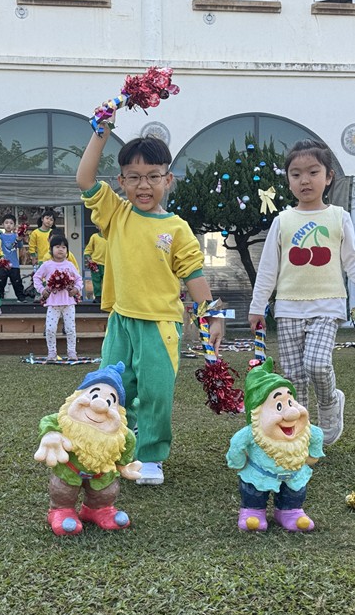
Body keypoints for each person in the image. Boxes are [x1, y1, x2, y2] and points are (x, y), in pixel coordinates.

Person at [77, 107, 224, 486]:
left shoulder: (177, 228)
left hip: (161, 325)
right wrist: (101, 131)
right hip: (121, 321)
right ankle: (109, 446)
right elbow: (84, 178)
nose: (144, 186)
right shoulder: (116, 214)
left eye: (153, 177)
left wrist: (212, 317)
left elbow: (193, 274)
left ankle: (150, 455)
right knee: (111, 387)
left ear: (168, 180)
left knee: (156, 393)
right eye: (134, 177)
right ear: (122, 181)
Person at [248, 139, 355, 446]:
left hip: (327, 306)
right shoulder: (282, 220)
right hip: (288, 308)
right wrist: (258, 306)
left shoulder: (339, 216)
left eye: (313, 172)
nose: (305, 180)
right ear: (288, 180)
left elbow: (353, 260)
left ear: (329, 176)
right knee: (294, 377)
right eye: (296, 174)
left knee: (318, 365)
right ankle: (300, 431)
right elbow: (268, 268)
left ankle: (330, 403)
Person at [34, 362, 140, 535]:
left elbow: (128, 442)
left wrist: (124, 467)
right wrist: (50, 434)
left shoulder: (121, 434)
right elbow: (48, 421)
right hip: (69, 470)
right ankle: (61, 510)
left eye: (110, 401)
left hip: (102, 474)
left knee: (106, 491)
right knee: (63, 490)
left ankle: (98, 510)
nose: (99, 405)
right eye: (94, 395)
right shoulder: (64, 420)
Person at [226, 358, 324, 533]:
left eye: (291, 402)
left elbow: (316, 434)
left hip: (293, 474)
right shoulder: (253, 432)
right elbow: (236, 444)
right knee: (253, 491)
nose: (292, 413)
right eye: (279, 406)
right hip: (258, 474)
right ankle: (253, 511)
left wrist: (313, 454)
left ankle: (290, 511)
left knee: (294, 491)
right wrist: (239, 462)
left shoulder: (303, 430)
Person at [34, 234, 83, 361]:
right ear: (51, 249)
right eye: (57, 247)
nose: (60, 249)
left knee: (70, 329)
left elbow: (79, 279)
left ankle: (72, 352)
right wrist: (42, 290)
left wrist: (76, 289)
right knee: (50, 329)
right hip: (52, 303)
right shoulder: (46, 265)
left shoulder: (70, 265)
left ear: (67, 251)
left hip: (68, 303)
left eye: (63, 247)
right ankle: (52, 353)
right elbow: (36, 278)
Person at [0, 213, 28, 302]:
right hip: (3, 263)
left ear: (14, 225)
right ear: (3, 224)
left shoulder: (16, 236)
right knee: (0, 282)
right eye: (6, 223)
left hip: (14, 264)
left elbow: (20, 246)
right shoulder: (0, 236)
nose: (8, 225)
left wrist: (20, 239)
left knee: (17, 282)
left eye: (11, 223)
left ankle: (21, 297)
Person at [83, 229, 107, 301]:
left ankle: (106, 297)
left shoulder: (111, 237)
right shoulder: (94, 237)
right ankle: (98, 297)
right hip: (96, 263)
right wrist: (89, 259)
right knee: (96, 281)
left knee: (107, 282)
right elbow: (88, 249)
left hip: (108, 264)